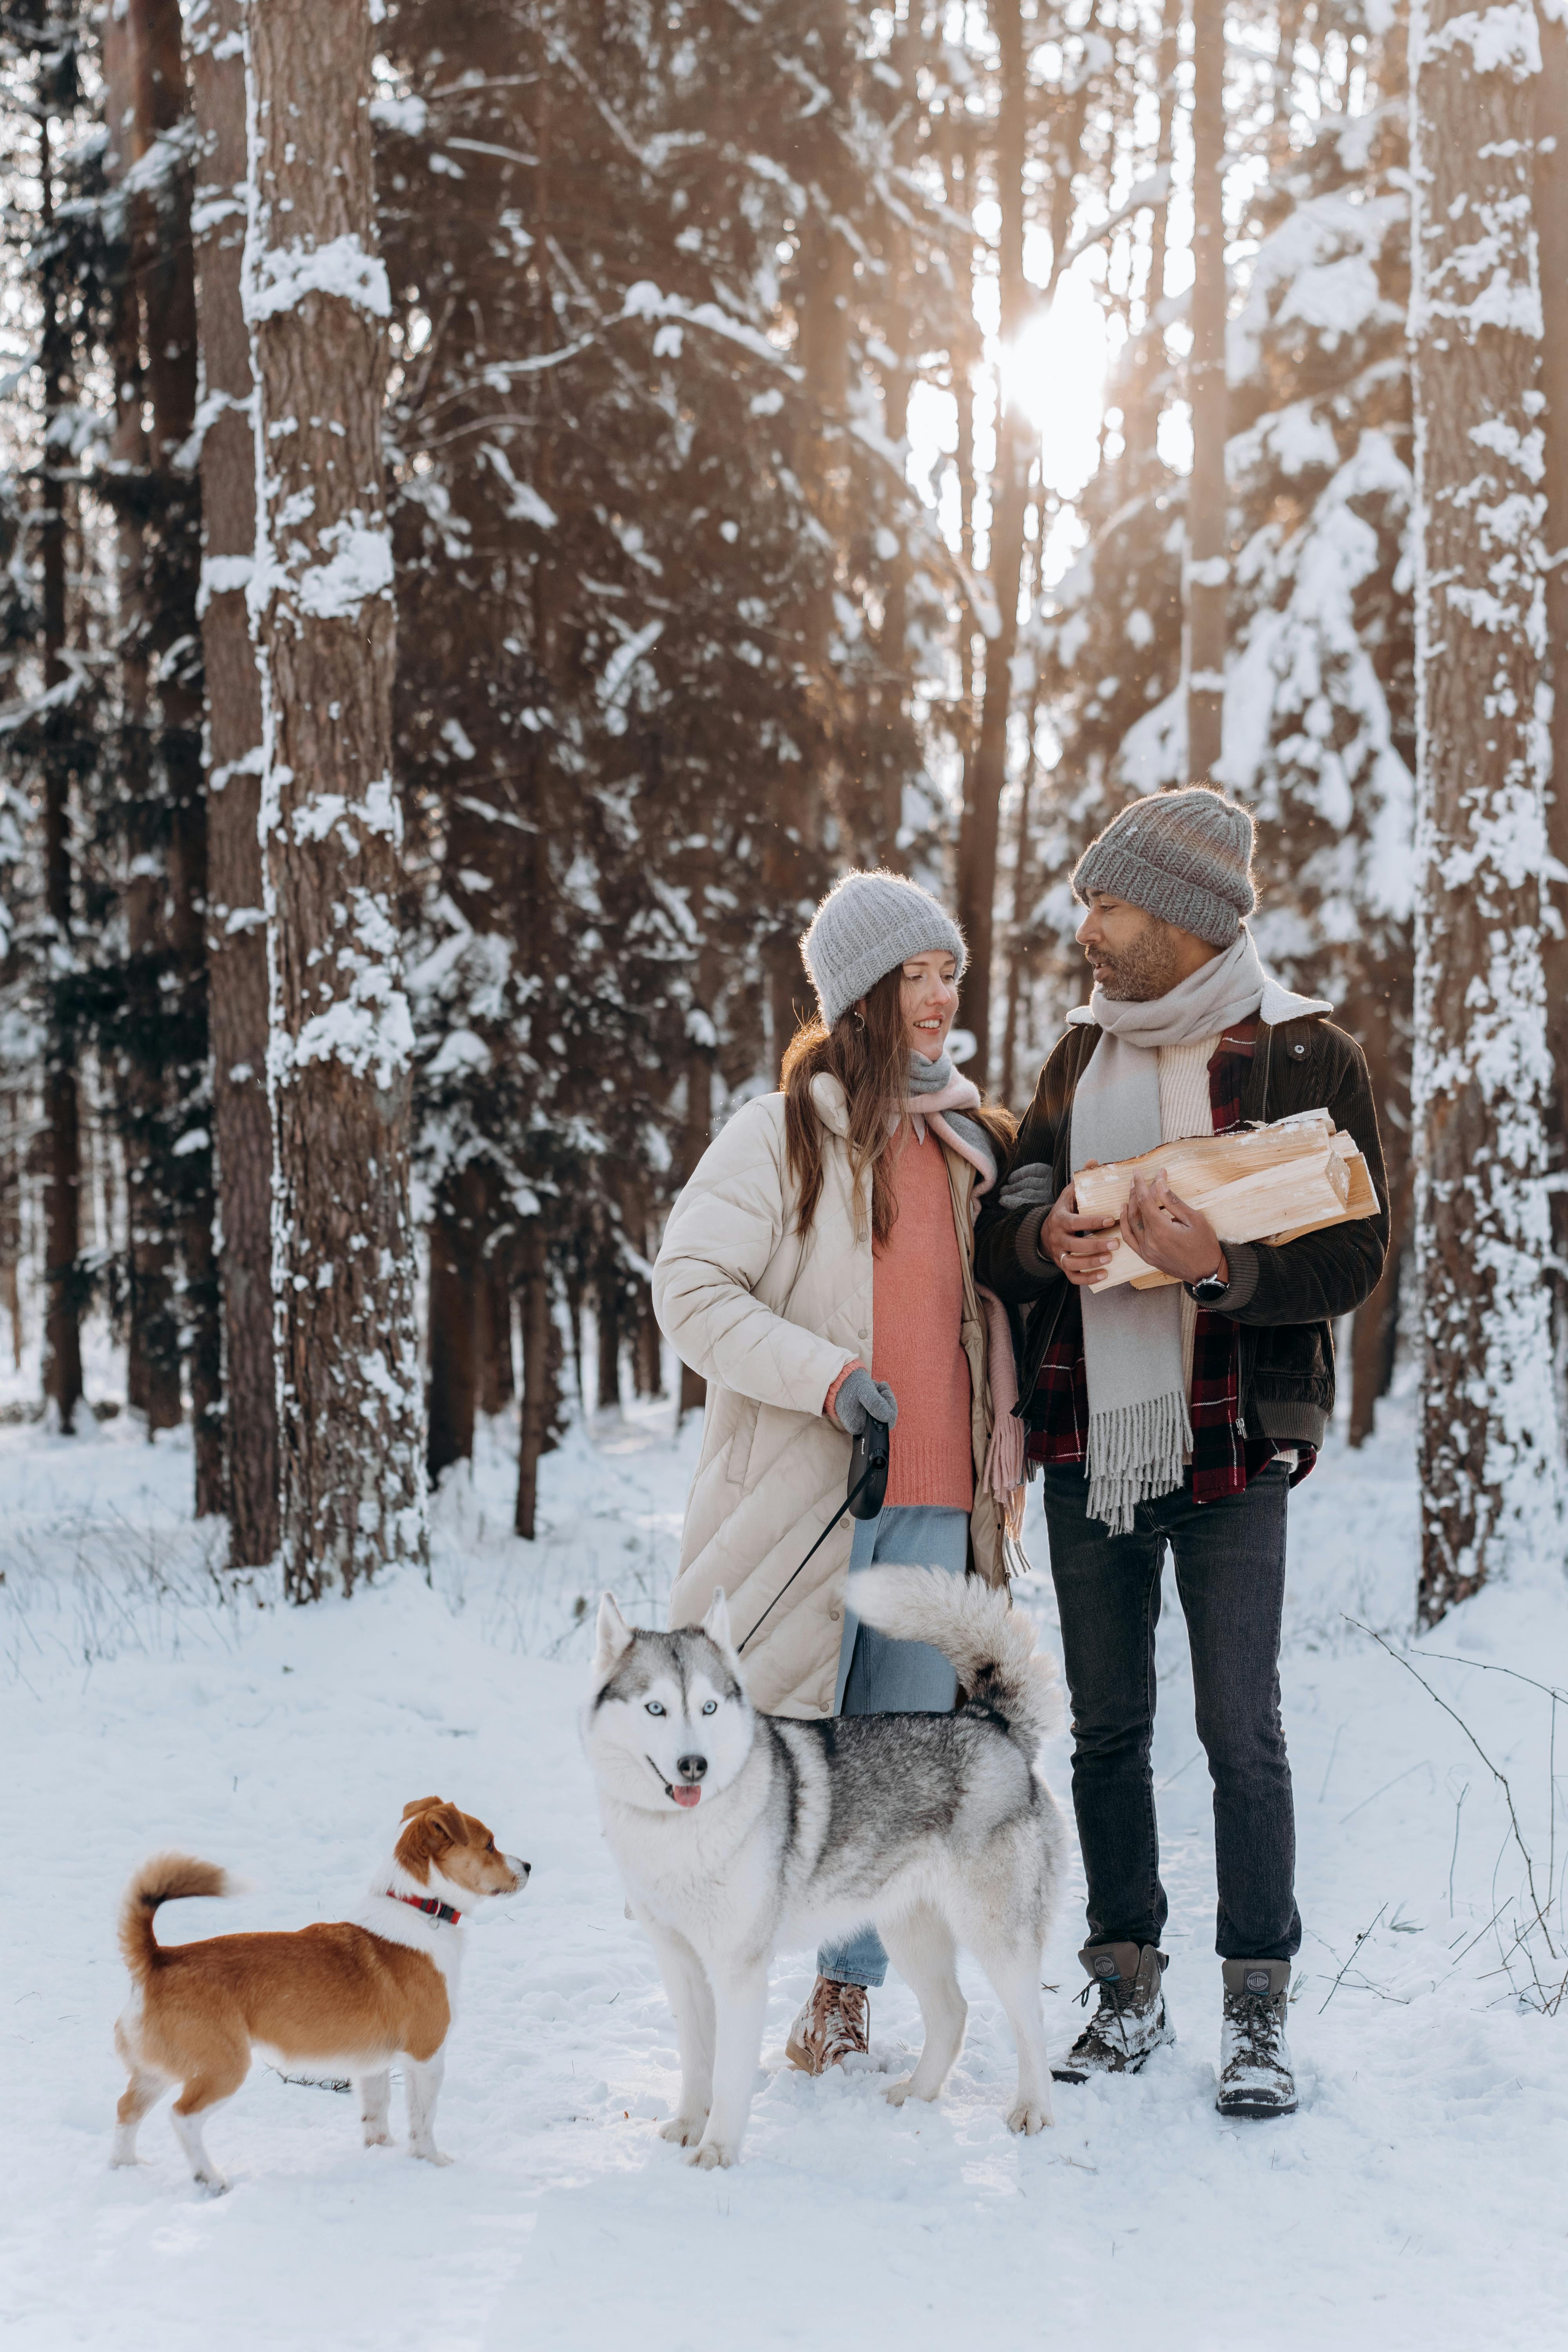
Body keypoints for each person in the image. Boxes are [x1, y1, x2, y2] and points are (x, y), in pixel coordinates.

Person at [975, 787, 1388, 2120]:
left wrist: (1221, 1269)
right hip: (1090, 1433)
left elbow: (1354, 1252)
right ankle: (1127, 1985)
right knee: (1108, 1730)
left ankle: (1257, 2011)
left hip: (1232, 1444)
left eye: (1109, 904)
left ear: (1187, 919)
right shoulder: (1075, 1058)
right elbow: (1016, 1204)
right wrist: (1050, 1242)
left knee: (1240, 1732)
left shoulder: (1308, 1057)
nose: (1085, 928)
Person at [652, 870, 1022, 2074]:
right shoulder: (779, 1135)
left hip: (935, 1501)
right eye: (913, 977)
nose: (938, 998)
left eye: (948, 973)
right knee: (774, 1749)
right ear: (858, 997)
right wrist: (824, 1376)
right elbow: (690, 1293)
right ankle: (728, 1993)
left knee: (900, 1762)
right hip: (805, 1505)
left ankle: (848, 1996)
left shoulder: (973, 1141)